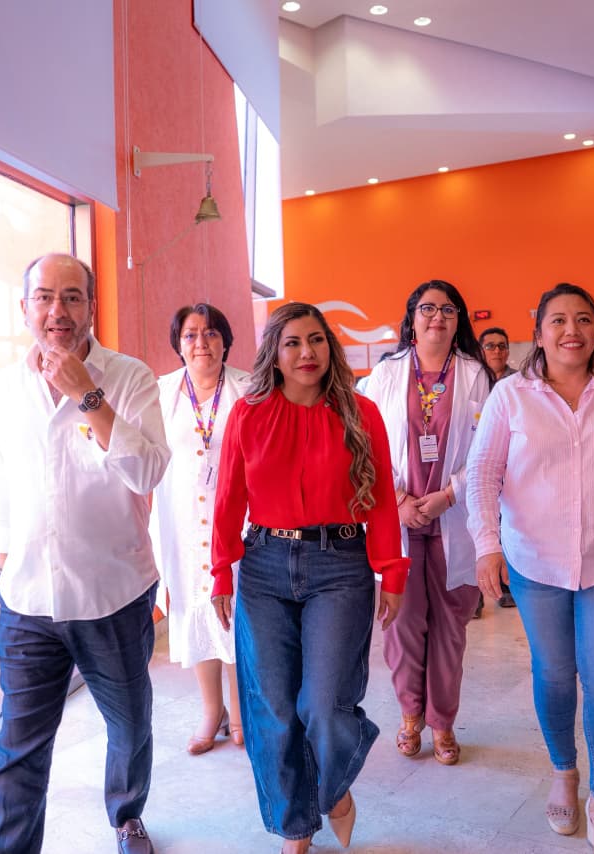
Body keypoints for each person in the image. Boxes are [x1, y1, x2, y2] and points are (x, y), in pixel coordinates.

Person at [467, 283, 594, 854]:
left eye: (583, 319)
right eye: (557, 320)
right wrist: (487, 545)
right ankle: (564, 770)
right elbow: (483, 473)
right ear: (538, 333)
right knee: (555, 674)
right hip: (534, 561)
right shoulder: (511, 395)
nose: (571, 331)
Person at [0, 253, 170, 854]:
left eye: (71, 296)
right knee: (18, 751)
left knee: (130, 724)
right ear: (25, 308)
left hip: (113, 596)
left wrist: (88, 395)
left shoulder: (130, 378)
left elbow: (147, 472)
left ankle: (126, 812)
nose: (57, 310)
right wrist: (4, 554)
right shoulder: (6, 387)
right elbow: (3, 481)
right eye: (44, 297)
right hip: (28, 601)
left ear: (90, 307)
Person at [210, 302, 407, 853]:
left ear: (330, 347)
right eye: (293, 342)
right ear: (274, 354)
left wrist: (391, 571)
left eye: (316, 340)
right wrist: (221, 570)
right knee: (273, 711)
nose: (306, 353)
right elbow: (228, 496)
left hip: (338, 564)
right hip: (264, 566)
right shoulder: (248, 414)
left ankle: (333, 787)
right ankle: (295, 829)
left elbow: (382, 499)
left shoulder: (361, 414)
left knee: (322, 705)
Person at [363, 281, 491, 766]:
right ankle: (410, 715)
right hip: (398, 516)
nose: (438, 316)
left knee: (450, 627)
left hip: (454, 515)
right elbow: (366, 443)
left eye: (448, 309)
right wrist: (397, 499)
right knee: (402, 622)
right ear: (412, 318)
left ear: (459, 320)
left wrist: (448, 494)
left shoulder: (476, 375)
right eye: (428, 308)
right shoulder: (386, 373)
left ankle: (443, 721)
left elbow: (487, 449)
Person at [151, 304, 250, 754]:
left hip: (239, 521)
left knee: (238, 612)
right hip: (184, 523)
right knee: (196, 609)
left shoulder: (249, 388)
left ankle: (241, 709)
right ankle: (213, 710)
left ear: (225, 341)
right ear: (179, 344)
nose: (201, 343)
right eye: (190, 335)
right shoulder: (162, 392)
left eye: (210, 333)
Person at [476, 326, 518, 610]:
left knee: (507, 529)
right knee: (478, 529)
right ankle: (475, 597)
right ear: (481, 351)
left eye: (502, 345)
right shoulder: (472, 382)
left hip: (512, 469)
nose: (497, 351)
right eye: (490, 346)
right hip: (476, 466)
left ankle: (507, 588)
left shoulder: (519, 383)